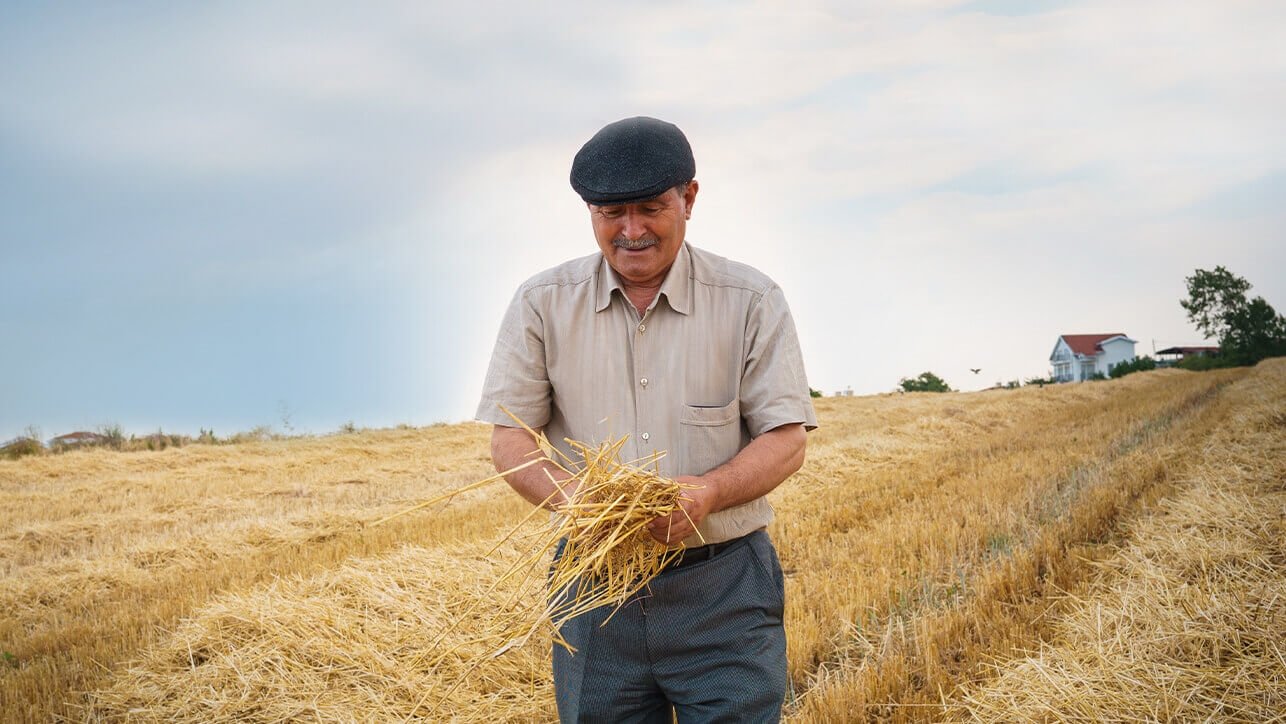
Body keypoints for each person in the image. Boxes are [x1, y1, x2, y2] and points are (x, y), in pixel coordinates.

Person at [476, 116, 817, 722]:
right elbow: (510, 438)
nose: (631, 231)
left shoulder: (751, 299)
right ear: (589, 212)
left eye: (650, 208)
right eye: (611, 212)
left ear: (688, 198)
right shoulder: (542, 302)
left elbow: (787, 437)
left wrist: (709, 491)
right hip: (594, 586)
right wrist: (580, 501)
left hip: (724, 587)